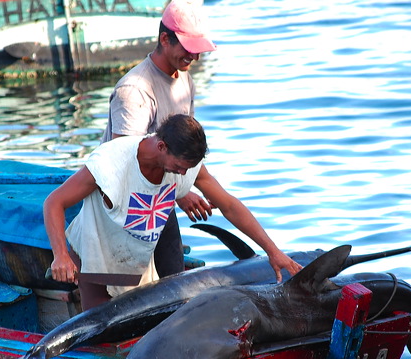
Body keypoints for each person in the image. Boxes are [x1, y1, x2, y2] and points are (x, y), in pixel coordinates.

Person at [44, 115, 302, 310]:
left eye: (187, 169)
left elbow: (229, 205)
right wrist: (61, 256)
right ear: (161, 146)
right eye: (179, 166)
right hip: (96, 250)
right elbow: (54, 202)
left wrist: (273, 251)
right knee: (99, 326)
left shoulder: (188, 167)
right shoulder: (110, 163)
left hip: (137, 258)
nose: (182, 174)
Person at [102, 0, 217, 278]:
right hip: (125, 203)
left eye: (197, 51)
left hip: (161, 196)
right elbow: (125, 164)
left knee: (173, 280)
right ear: (165, 39)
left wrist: (181, 190)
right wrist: (180, 192)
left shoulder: (184, 80)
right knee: (127, 287)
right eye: (188, 49)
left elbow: (184, 148)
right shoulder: (135, 90)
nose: (194, 58)